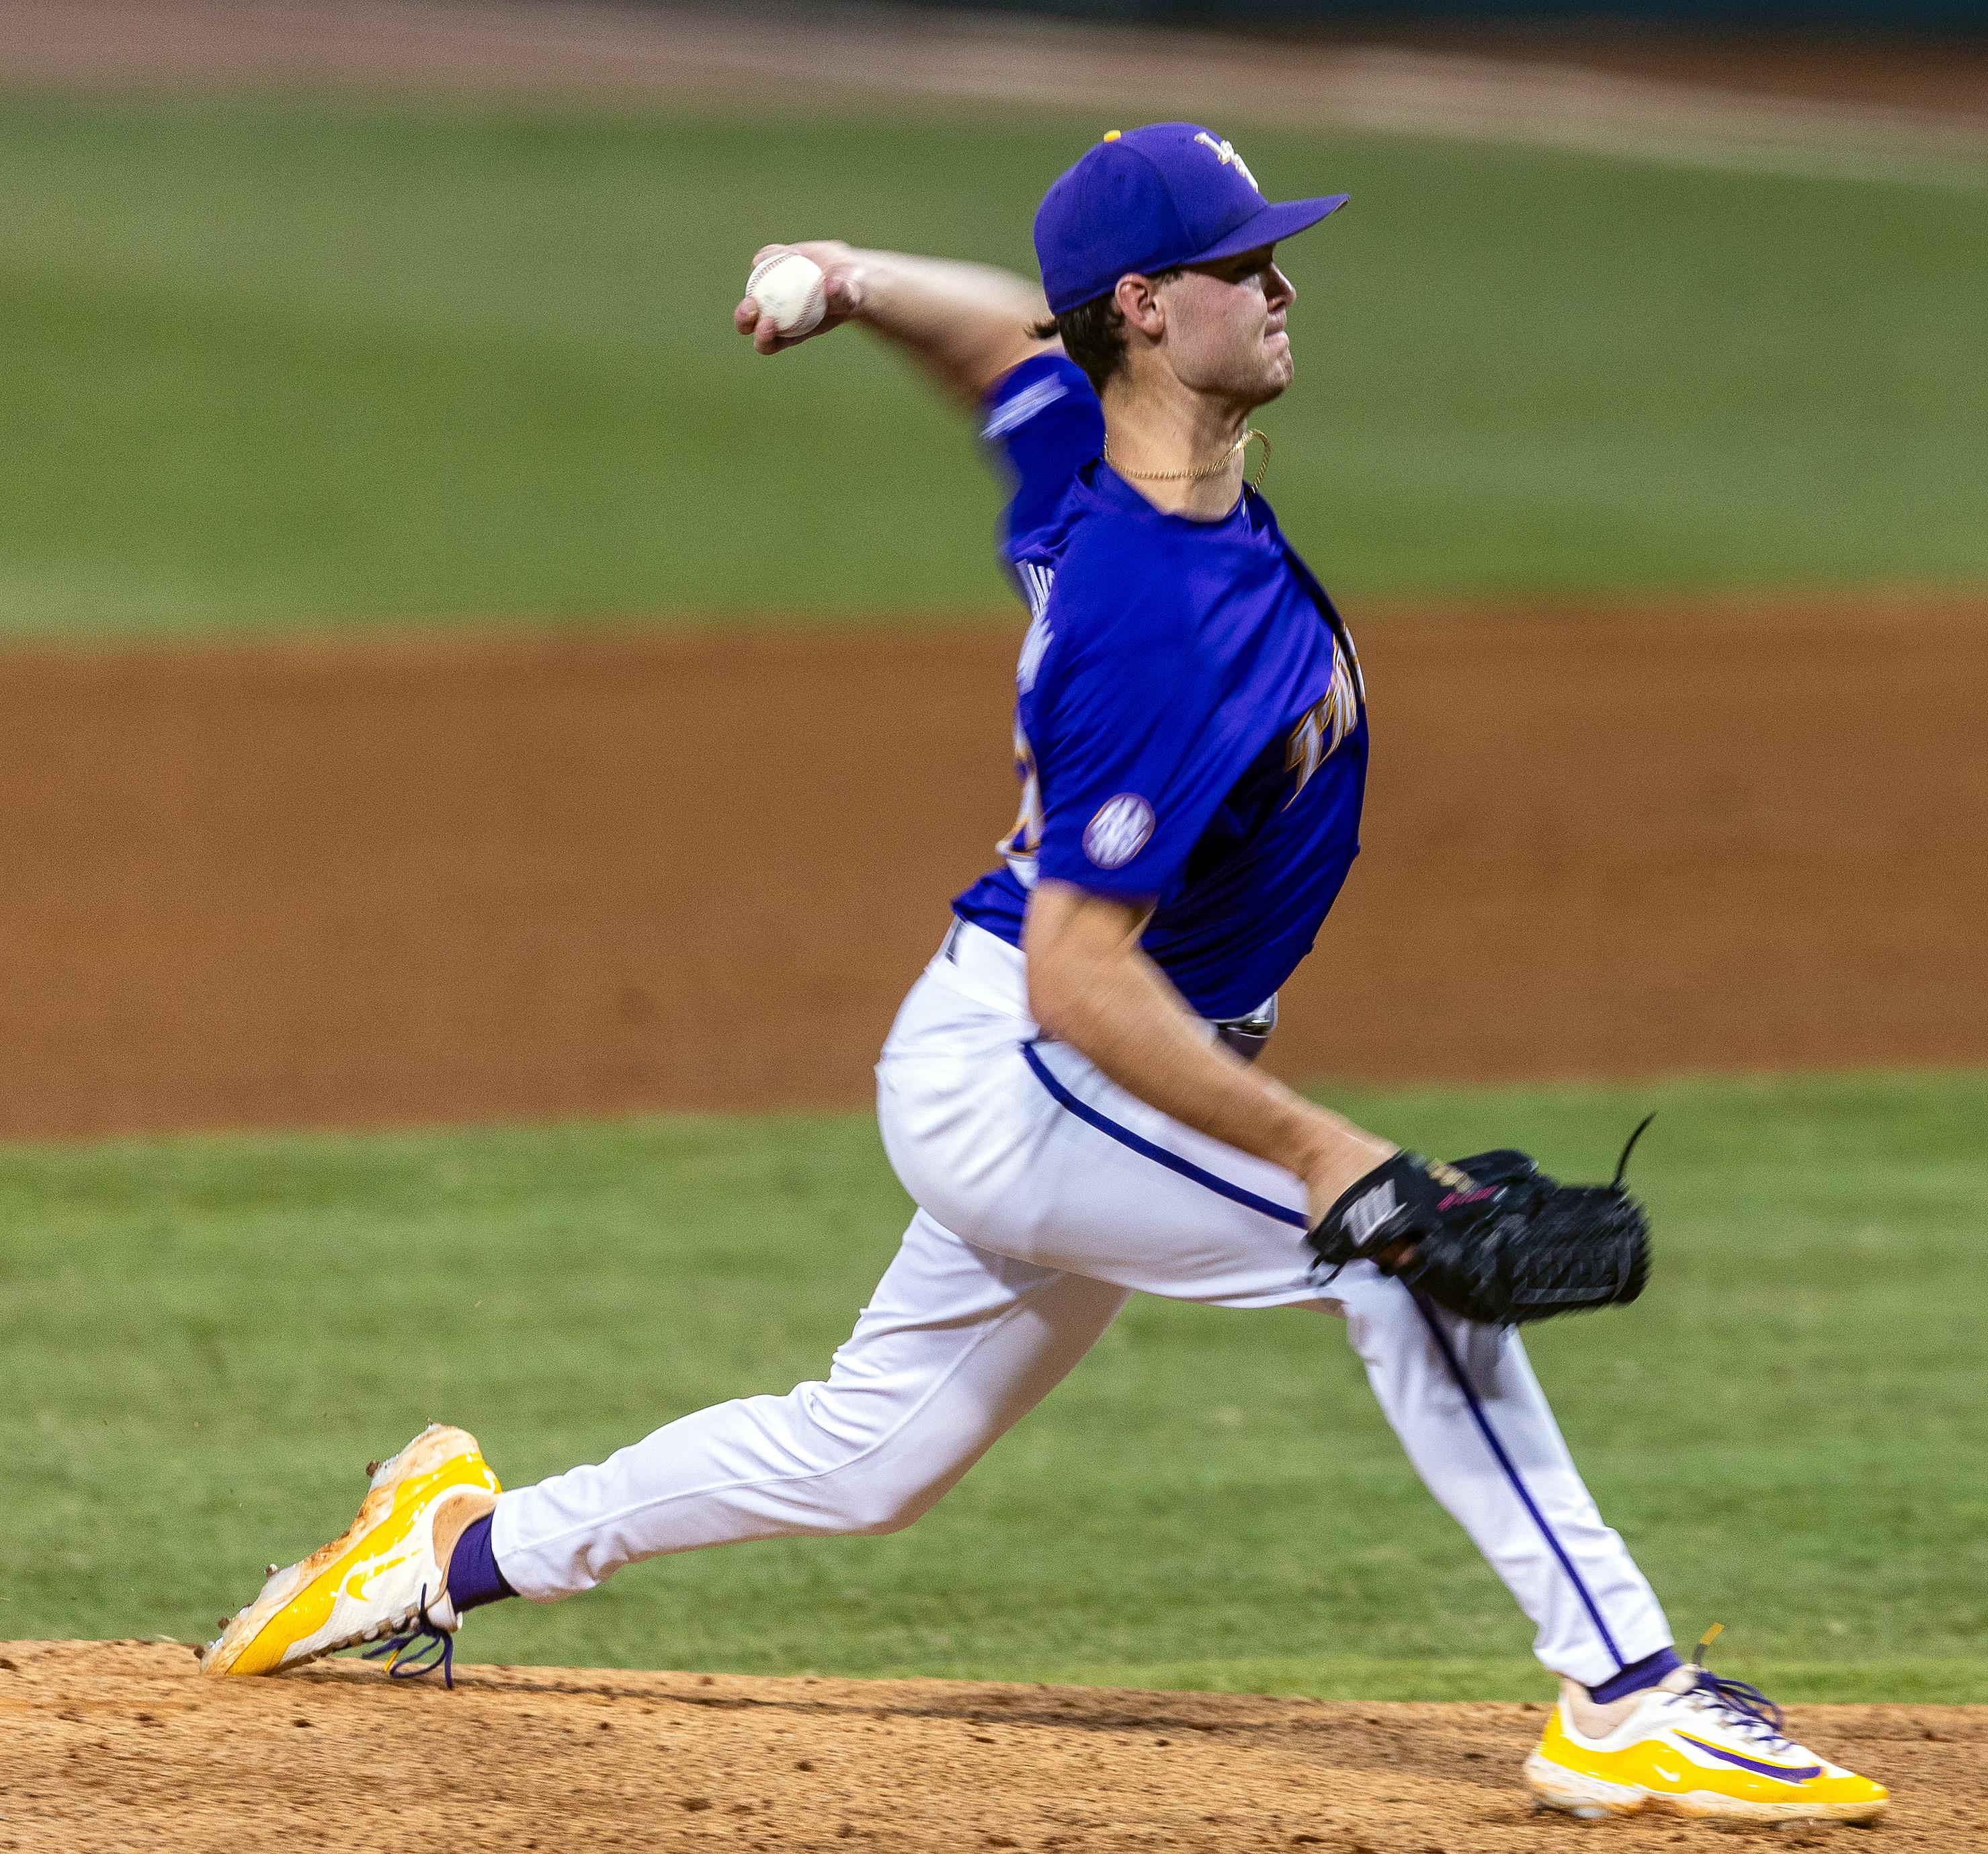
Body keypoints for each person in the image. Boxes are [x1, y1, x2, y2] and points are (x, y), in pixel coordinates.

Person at [198, 123, 1886, 1827]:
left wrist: (850, 282)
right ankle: (1625, 1695)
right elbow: (1084, 981)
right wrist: (1329, 1160)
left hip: (1035, 1051)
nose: (1283, 284)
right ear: (1149, 308)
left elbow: (1002, 336)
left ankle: (454, 1551)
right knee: (1394, 1258)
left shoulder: (1097, 451)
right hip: (1037, 1070)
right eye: (1244, 266)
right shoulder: (1159, 612)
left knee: (869, 1458)